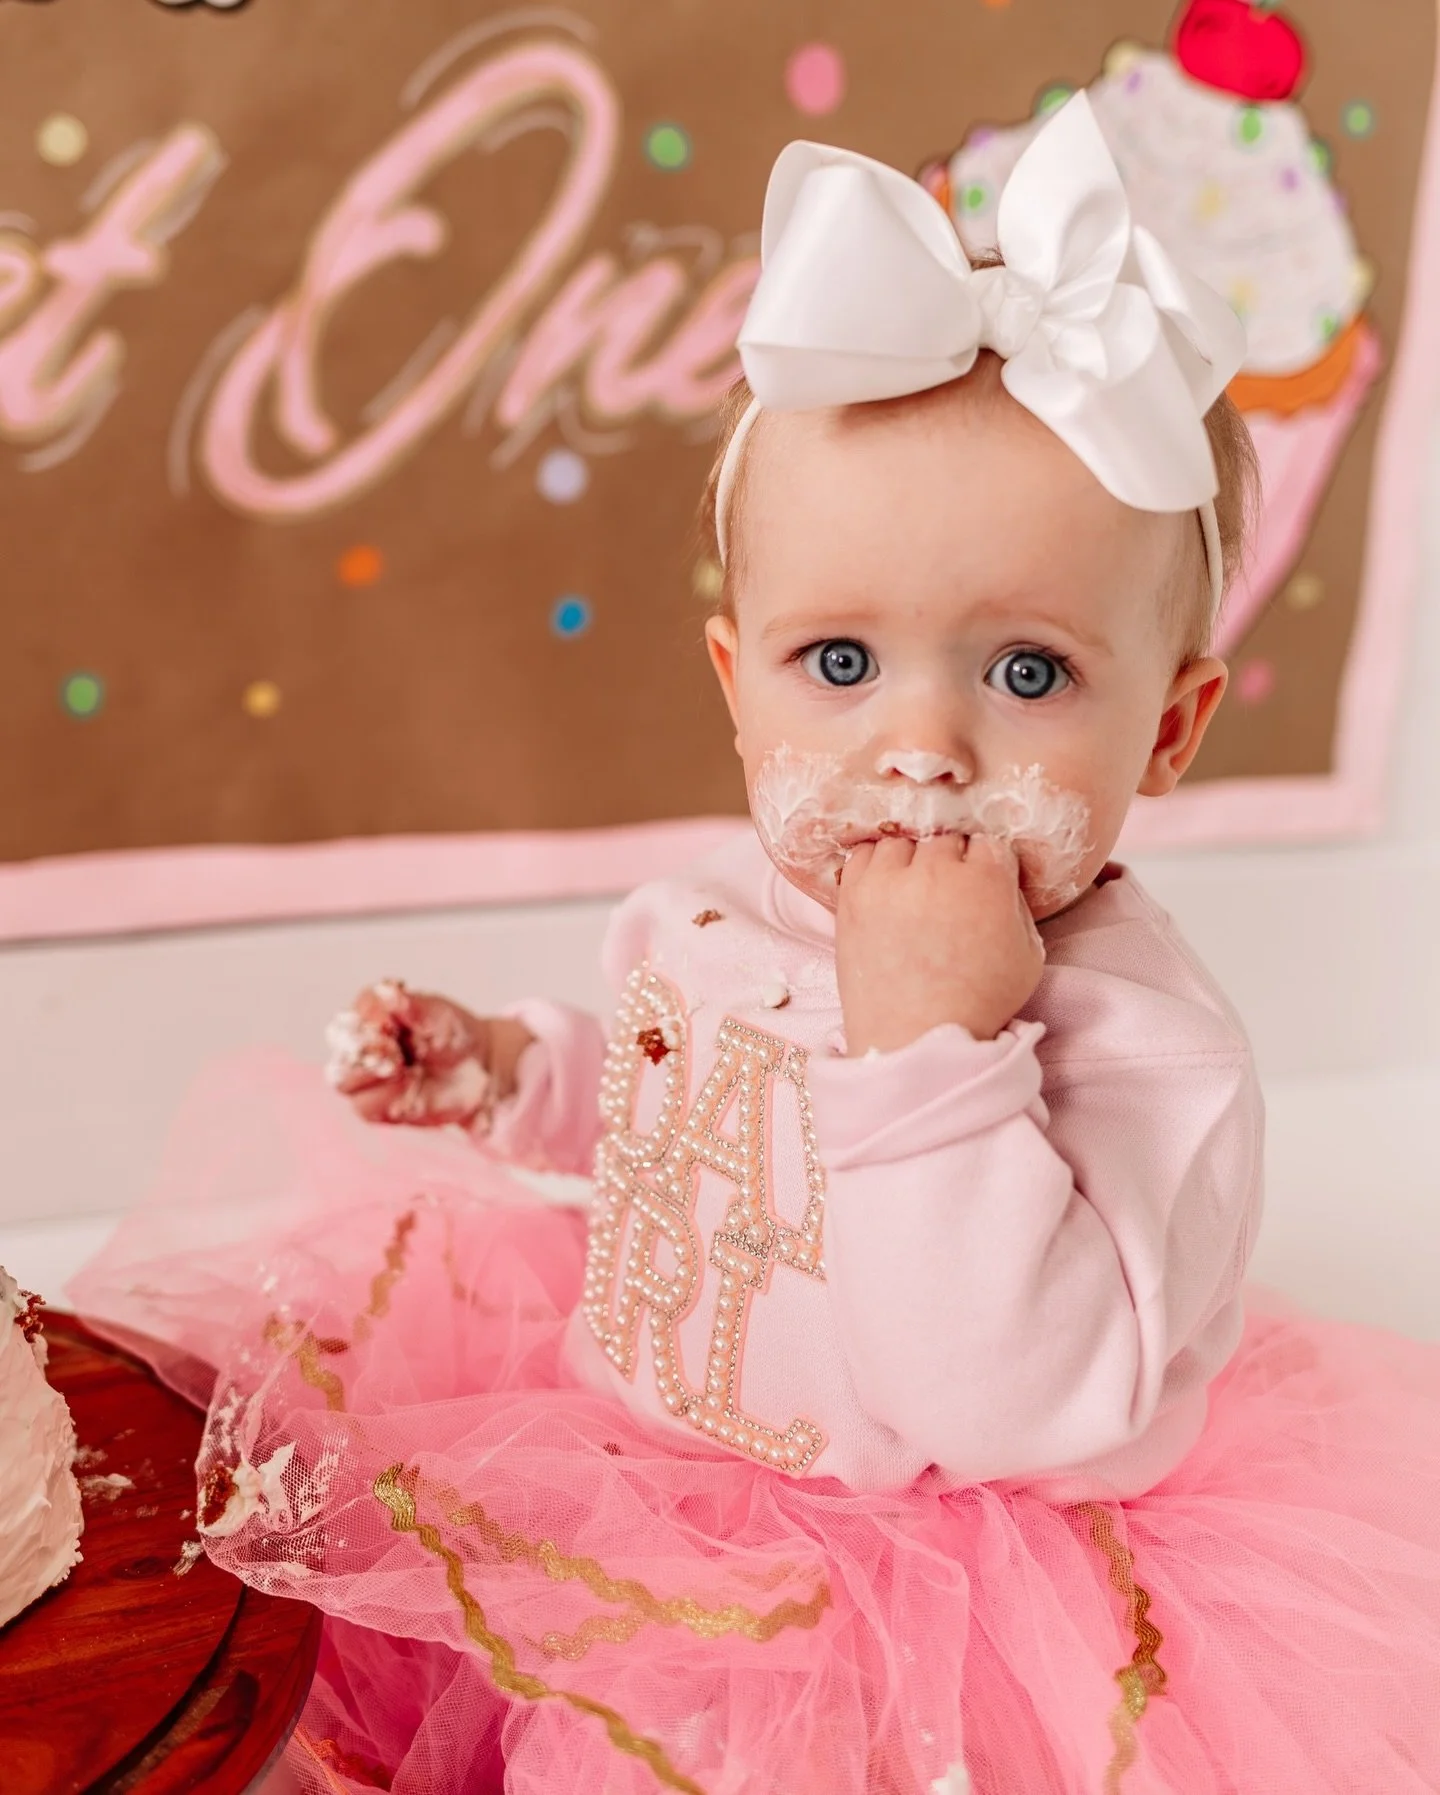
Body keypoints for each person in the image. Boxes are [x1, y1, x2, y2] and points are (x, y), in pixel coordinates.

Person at [72, 97, 1440, 1795]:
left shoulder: (1150, 1053)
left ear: (1168, 730)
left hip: (930, 1575)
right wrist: (517, 1070)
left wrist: (937, 1043)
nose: (921, 744)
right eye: (842, 664)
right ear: (738, 684)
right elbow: (695, 1133)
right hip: (641, 1469)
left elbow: (999, 1393)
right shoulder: (719, 913)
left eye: (1027, 674)